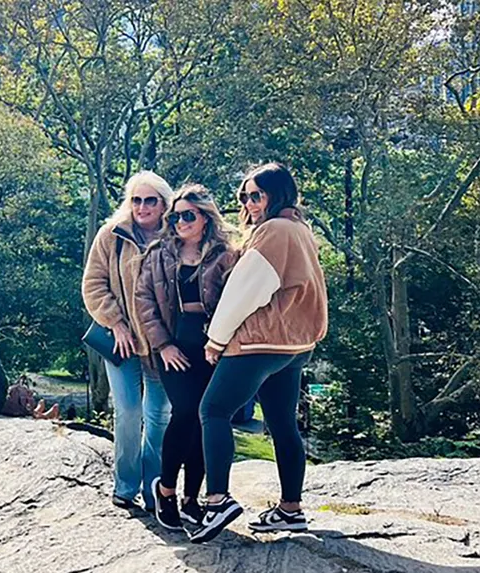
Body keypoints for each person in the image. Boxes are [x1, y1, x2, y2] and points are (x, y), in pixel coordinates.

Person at [190, 163, 328, 544]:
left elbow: (245, 291)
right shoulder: (300, 229)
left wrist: (216, 340)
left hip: (260, 341)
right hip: (294, 345)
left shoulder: (273, 232)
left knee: (213, 410)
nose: (249, 204)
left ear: (278, 194)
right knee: (283, 423)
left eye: (257, 195)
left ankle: (217, 500)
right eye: (245, 196)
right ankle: (290, 509)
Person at [134, 185, 236, 531]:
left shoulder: (226, 254)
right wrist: (162, 345)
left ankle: (192, 499)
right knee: (186, 411)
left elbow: (238, 301)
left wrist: (222, 344)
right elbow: (144, 302)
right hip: (173, 346)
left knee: (207, 418)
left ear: (206, 218)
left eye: (187, 215)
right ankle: (165, 490)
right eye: (174, 216)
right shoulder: (158, 253)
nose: (179, 222)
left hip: (214, 347)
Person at [82, 170, 173, 511]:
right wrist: (116, 323)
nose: (143, 207)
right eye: (137, 199)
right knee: (129, 411)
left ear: (164, 203)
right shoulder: (112, 235)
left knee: (159, 415)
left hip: (160, 345)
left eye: (151, 200)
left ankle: (156, 490)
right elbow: (93, 284)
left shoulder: (175, 236)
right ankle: (125, 485)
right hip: (121, 343)